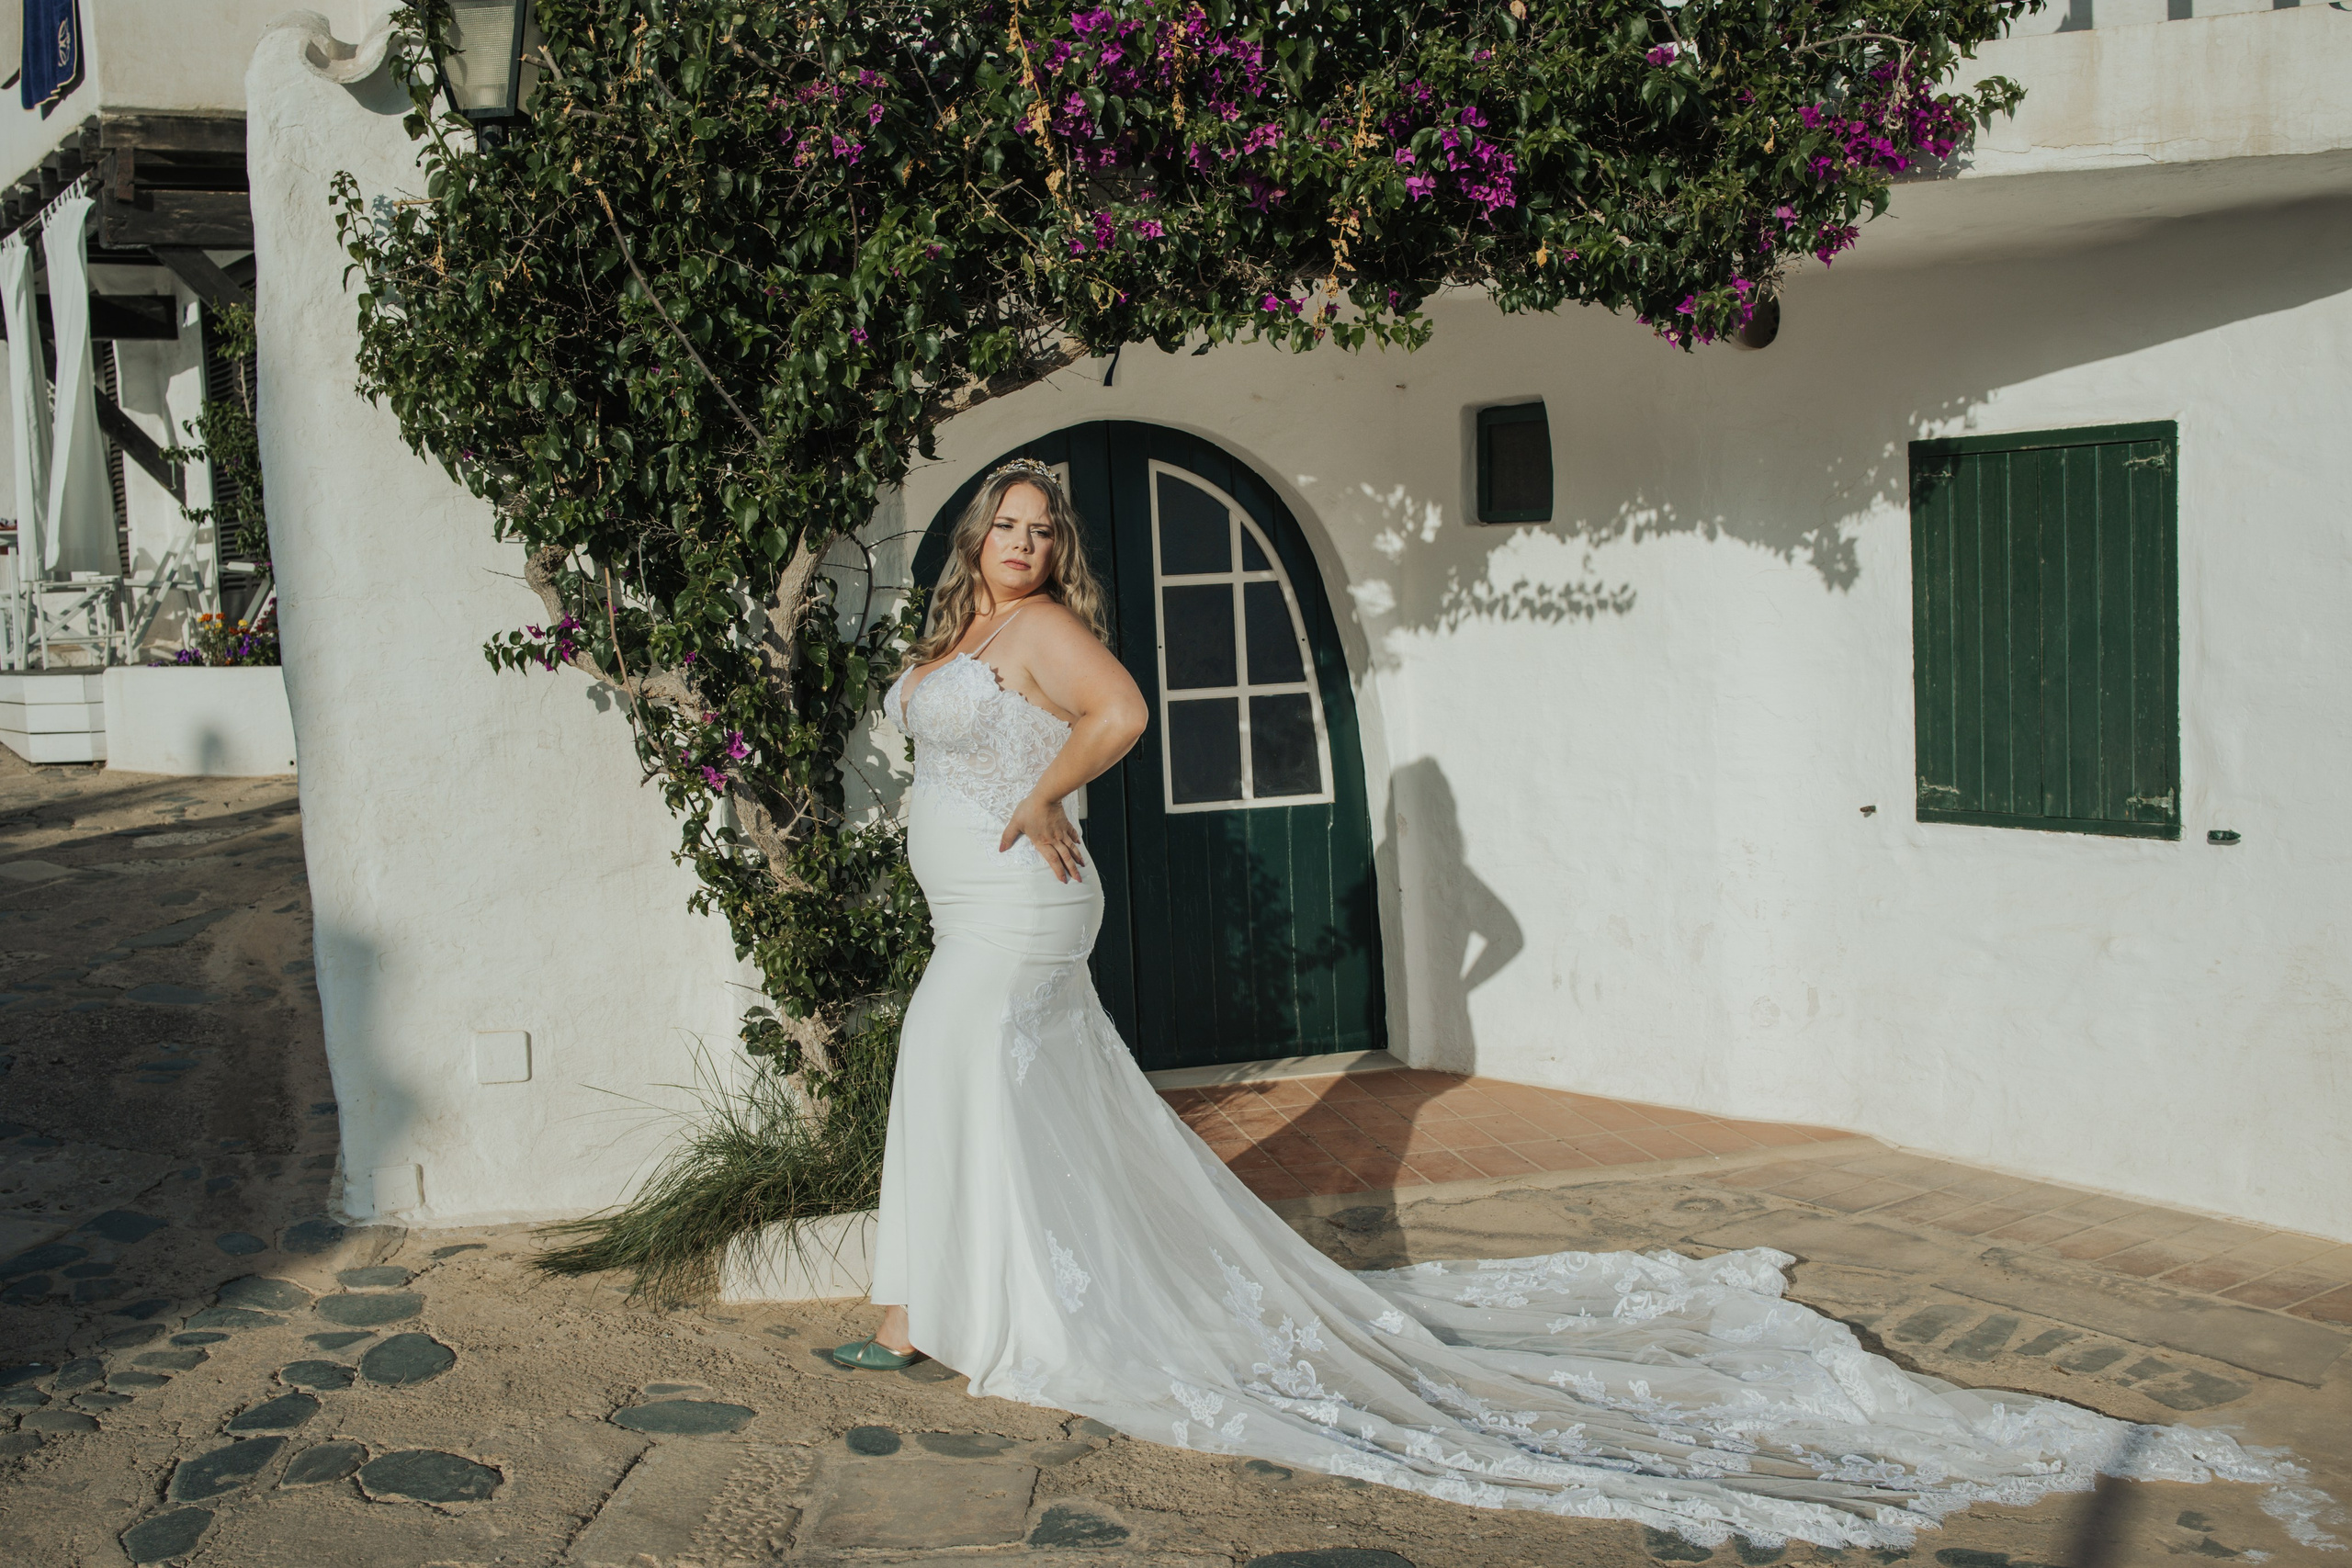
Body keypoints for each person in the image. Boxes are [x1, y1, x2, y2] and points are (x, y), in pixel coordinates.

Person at [828, 457, 2304, 1553]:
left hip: (1023, 897)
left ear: (1052, 549)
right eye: (1006, 527)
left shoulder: (1043, 638)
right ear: (977, 541)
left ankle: (947, 1311)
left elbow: (1125, 717)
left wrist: (1037, 794)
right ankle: (935, 1304)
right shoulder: (959, 637)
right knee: (974, 1076)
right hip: (976, 894)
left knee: (961, 1052)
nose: (1023, 542)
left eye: (1040, 529)